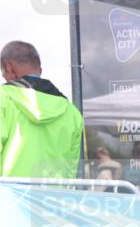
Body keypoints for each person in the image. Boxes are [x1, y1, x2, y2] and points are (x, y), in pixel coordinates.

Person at [0, 41, 83, 178]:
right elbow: (70, 171)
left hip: (8, 198)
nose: (4, 77)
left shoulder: (3, 98)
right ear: (40, 70)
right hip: (52, 198)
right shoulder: (72, 112)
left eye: (3, 72)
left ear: (9, 67)